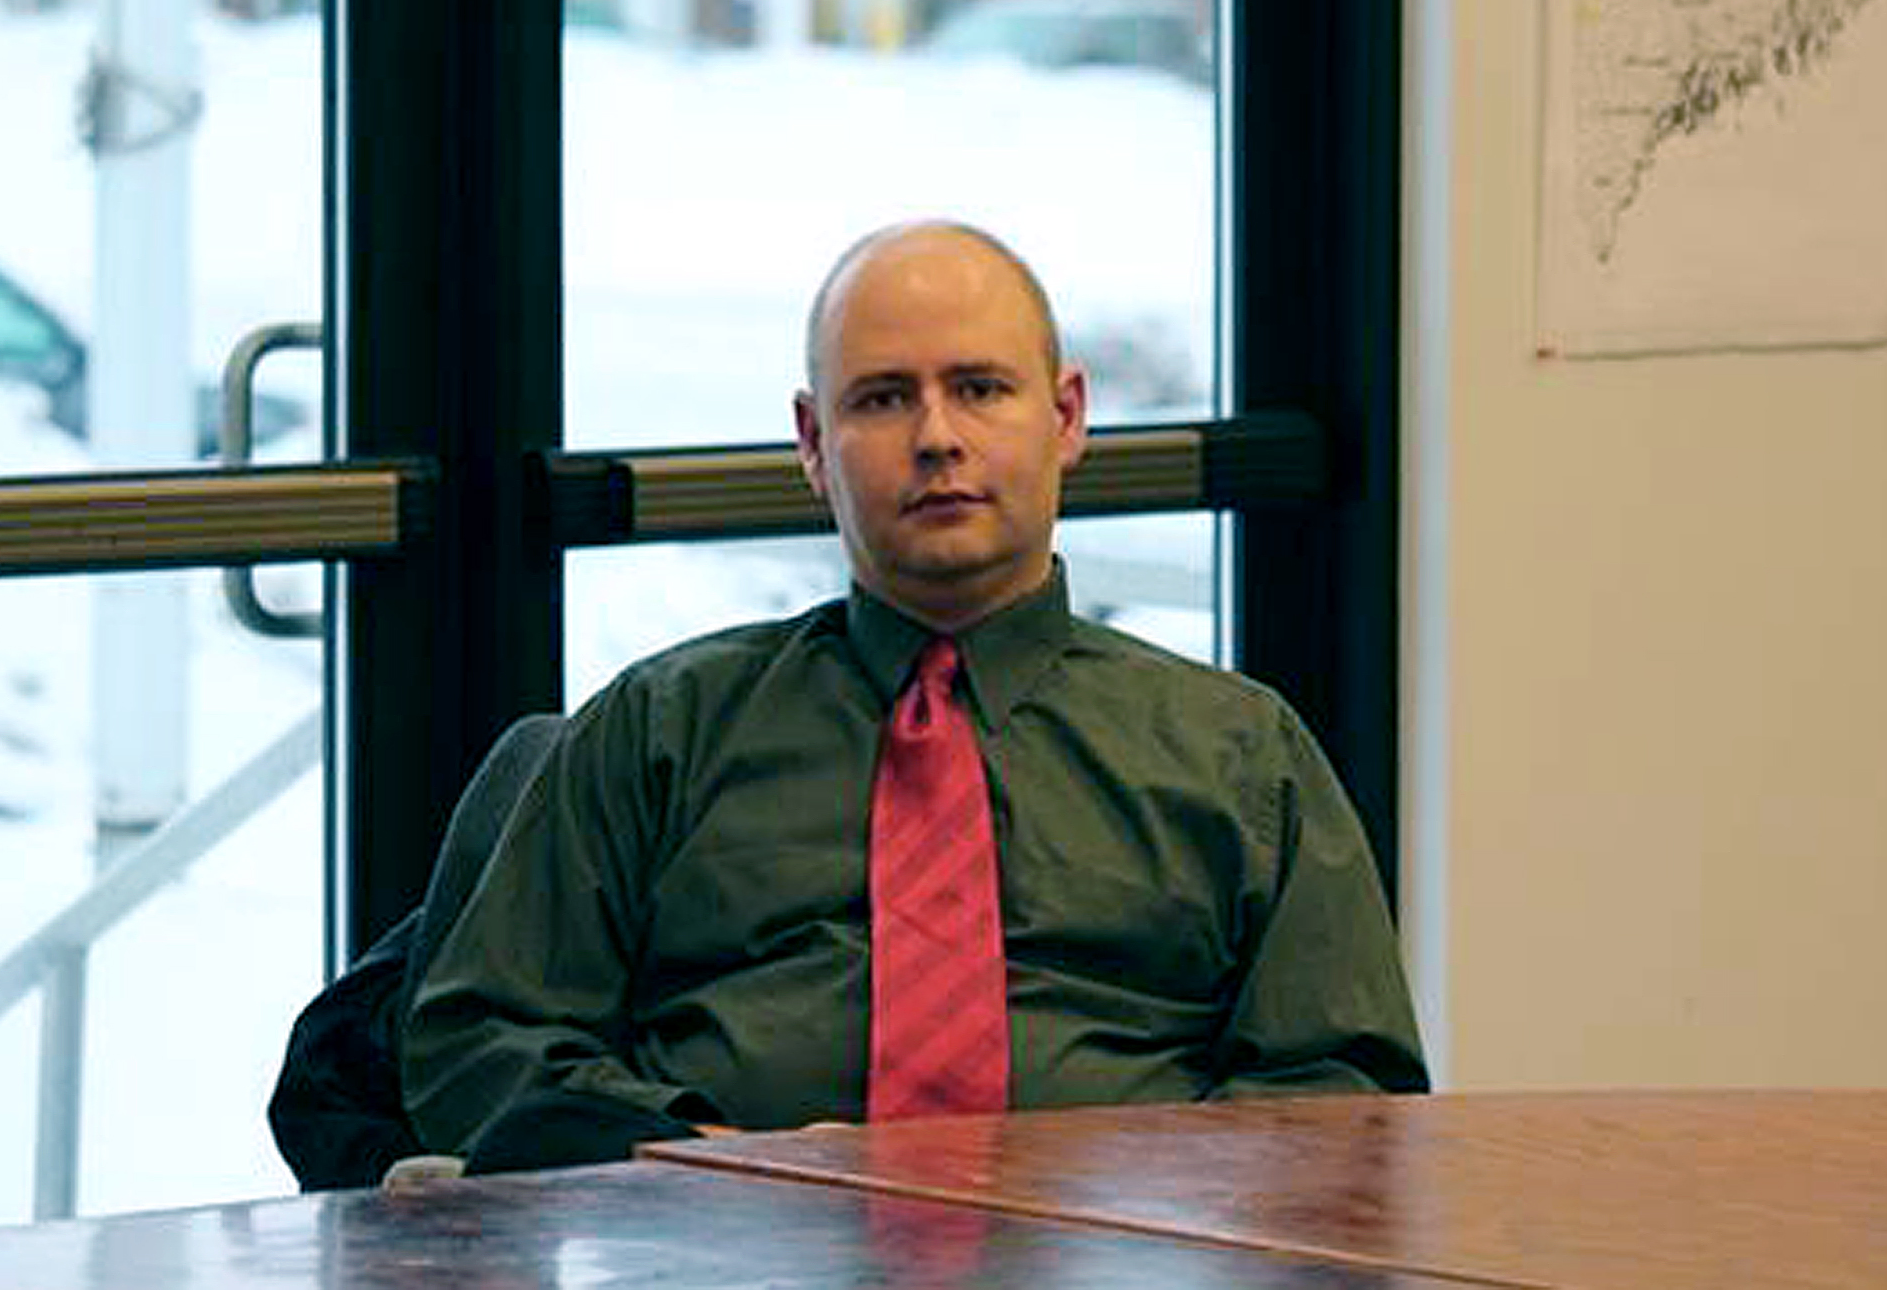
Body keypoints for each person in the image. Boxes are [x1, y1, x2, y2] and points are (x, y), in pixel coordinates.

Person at [401, 220, 1426, 1173]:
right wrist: (716, 1163)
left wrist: (1130, 1201)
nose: (936, 437)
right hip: (726, 1257)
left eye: (979, 388)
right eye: (882, 398)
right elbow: (484, 1050)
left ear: (1065, 416)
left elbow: (1343, 1101)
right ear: (811, 441)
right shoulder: (657, 730)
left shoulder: (1239, 753)